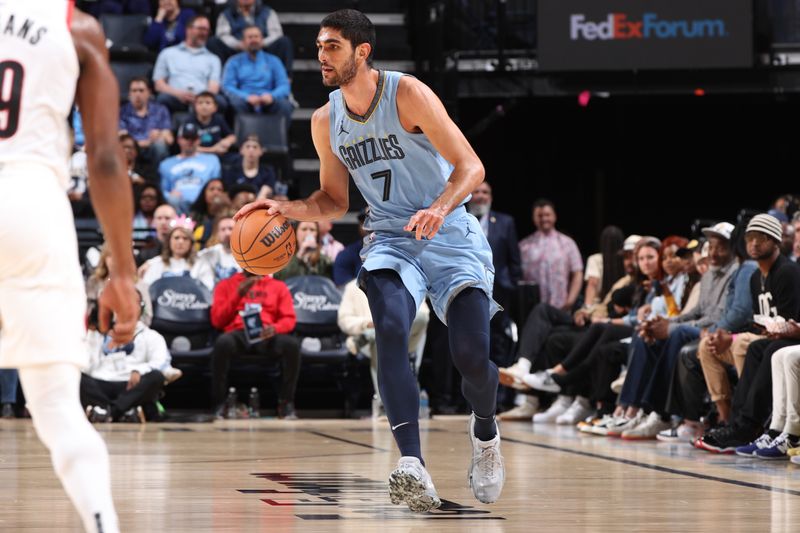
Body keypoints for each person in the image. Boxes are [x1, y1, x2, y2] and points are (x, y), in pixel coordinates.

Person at [235, 9, 504, 512]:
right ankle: (412, 464)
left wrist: (439, 207)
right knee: (390, 327)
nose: (321, 55)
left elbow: (471, 167)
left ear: (362, 51)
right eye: (318, 46)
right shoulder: (325, 120)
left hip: (448, 231)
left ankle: (485, 431)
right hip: (390, 238)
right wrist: (288, 210)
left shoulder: (408, 93)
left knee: (471, 357)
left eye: (332, 46)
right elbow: (333, 201)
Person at [0, 3, 140, 532]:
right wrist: (121, 274)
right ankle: (103, 525)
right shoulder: (77, 28)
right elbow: (104, 157)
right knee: (58, 407)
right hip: (31, 200)